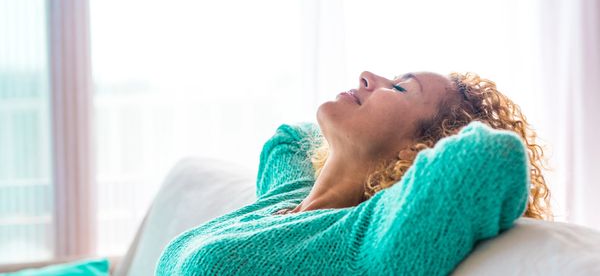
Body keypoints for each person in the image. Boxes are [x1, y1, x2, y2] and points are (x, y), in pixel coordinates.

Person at [156, 71, 553, 275]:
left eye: (399, 89)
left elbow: (492, 159)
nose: (366, 76)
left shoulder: (367, 238)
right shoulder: (288, 196)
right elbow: (289, 139)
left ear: (417, 152)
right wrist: (342, 157)